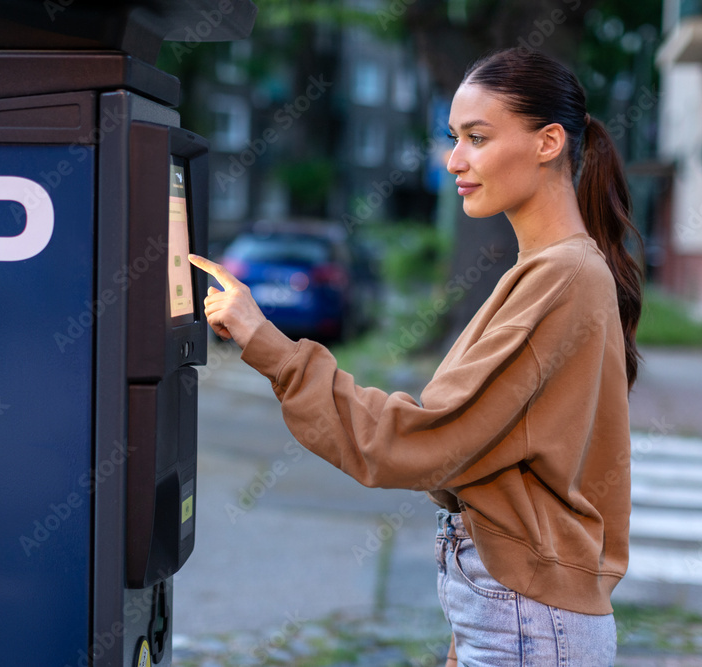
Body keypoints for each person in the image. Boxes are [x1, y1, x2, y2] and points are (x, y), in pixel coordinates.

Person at [189, 47, 642, 666]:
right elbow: (502, 461)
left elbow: (422, 440)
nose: (454, 160)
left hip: (529, 623)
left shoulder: (562, 278)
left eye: (477, 138)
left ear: (548, 142)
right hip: (519, 613)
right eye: (454, 138)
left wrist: (265, 342)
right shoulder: (552, 271)